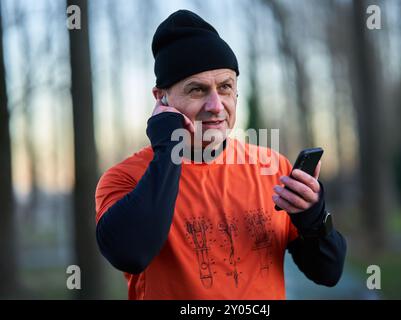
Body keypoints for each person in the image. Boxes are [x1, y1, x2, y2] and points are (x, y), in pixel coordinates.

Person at [95, 9, 346, 300]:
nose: (216, 105)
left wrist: (313, 218)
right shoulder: (124, 179)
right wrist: (168, 149)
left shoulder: (272, 167)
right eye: (197, 90)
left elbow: (328, 273)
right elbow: (130, 253)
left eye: (225, 87)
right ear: (161, 98)